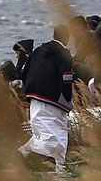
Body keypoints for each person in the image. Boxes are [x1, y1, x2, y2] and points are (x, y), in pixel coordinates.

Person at [19, 25, 75, 170]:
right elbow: (66, 79)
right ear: (67, 37)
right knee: (58, 135)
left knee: (41, 133)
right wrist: (68, 99)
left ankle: (24, 152)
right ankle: (60, 169)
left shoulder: (38, 51)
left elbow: (23, 72)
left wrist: (29, 89)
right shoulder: (64, 54)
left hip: (34, 98)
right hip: (52, 100)